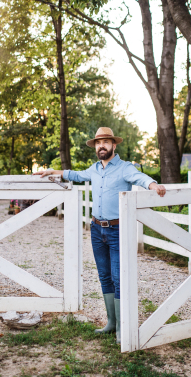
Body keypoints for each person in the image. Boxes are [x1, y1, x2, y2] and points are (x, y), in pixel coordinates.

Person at [34, 127, 166, 343]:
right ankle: (111, 323)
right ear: (95, 147)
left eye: (105, 142)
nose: (101, 146)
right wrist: (52, 171)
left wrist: (153, 184)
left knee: (118, 277)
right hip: (97, 229)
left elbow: (139, 177)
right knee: (104, 276)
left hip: (117, 230)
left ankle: (123, 328)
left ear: (114, 145)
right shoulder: (94, 169)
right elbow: (74, 175)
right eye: (98, 143)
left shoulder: (124, 168)